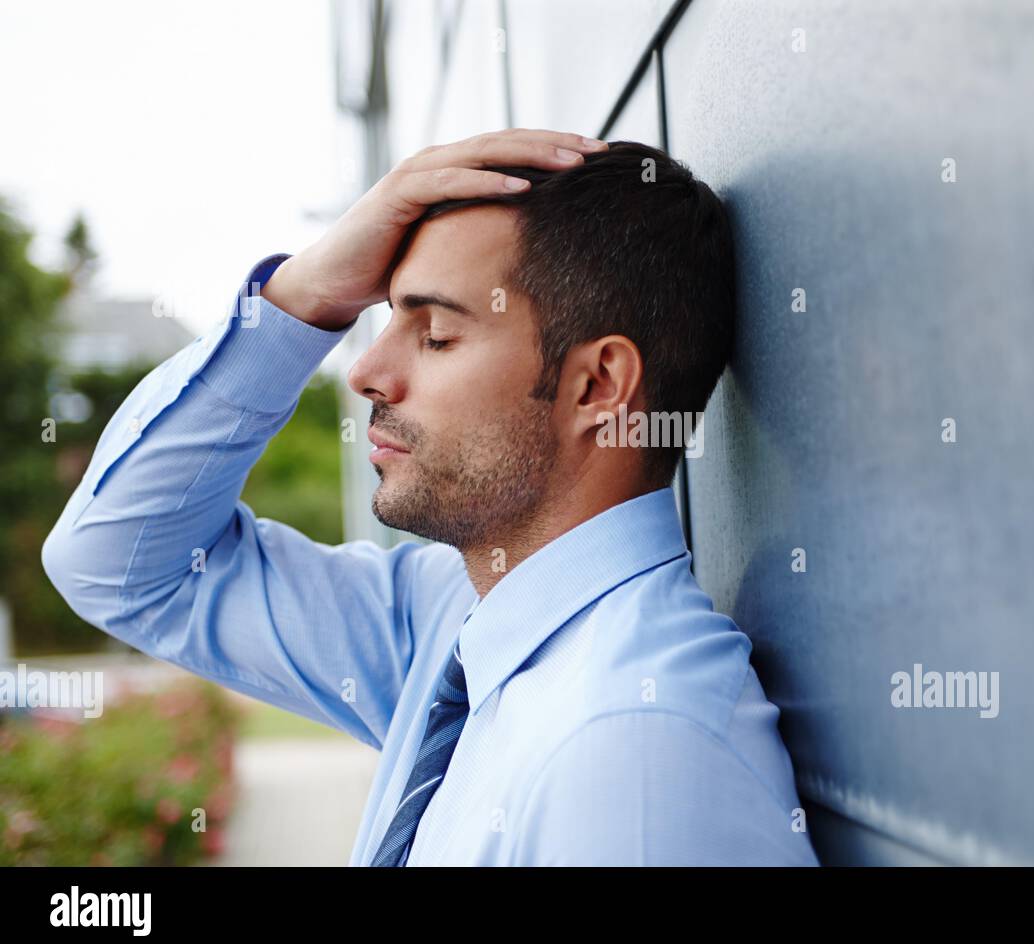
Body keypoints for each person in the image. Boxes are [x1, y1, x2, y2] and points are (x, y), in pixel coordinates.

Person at [42, 128, 819, 866]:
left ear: (598, 386)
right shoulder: (447, 623)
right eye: (385, 320)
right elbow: (122, 568)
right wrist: (304, 295)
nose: (365, 371)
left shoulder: (635, 755)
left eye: (436, 334)